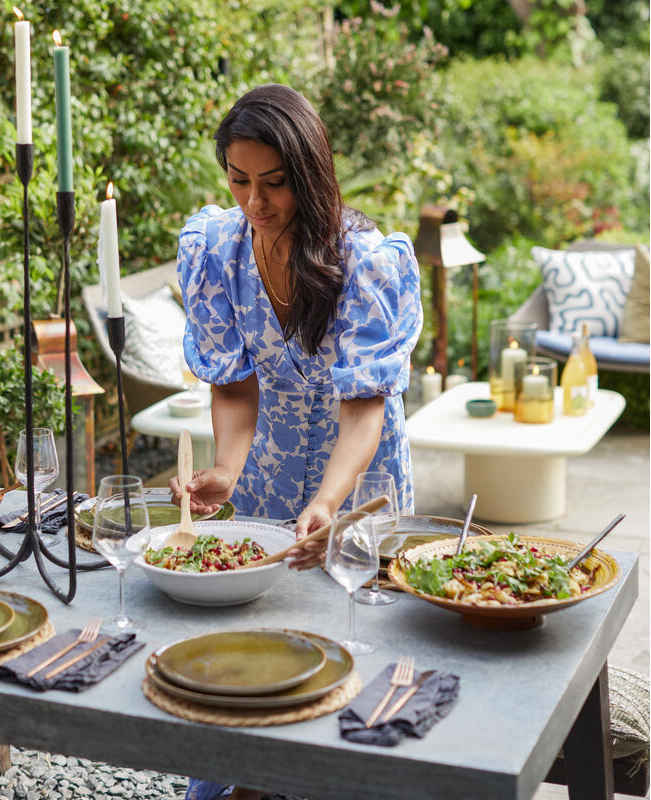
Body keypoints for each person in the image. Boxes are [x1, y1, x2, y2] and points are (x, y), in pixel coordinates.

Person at [173, 83, 422, 800]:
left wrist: (328, 504)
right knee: (255, 667)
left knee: (352, 666)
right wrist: (225, 466)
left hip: (358, 487)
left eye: (275, 184)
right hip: (265, 483)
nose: (255, 202)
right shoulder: (215, 250)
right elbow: (235, 386)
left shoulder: (366, 264)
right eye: (239, 179)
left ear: (309, 173)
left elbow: (365, 409)